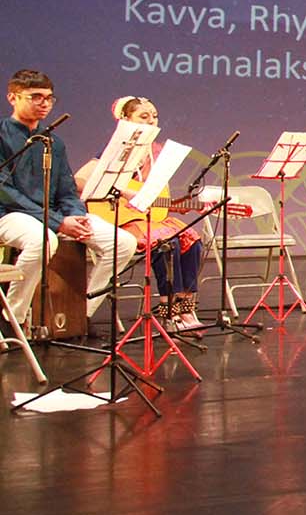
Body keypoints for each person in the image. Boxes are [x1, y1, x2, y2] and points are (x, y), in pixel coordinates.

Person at [0, 71, 137, 328]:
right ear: (12, 97)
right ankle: (13, 319)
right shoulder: (1, 134)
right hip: (9, 215)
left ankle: (81, 312)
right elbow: (6, 192)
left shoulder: (55, 142)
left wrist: (75, 215)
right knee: (42, 239)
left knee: (123, 243)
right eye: (36, 97)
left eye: (49, 98)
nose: (44, 104)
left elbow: (66, 188)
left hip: (54, 216)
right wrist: (58, 222)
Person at [74, 96, 205, 331]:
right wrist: (121, 191)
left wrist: (180, 204)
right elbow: (79, 182)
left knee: (192, 240)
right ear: (125, 119)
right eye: (143, 116)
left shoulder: (154, 155)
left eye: (154, 116)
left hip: (149, 220)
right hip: (122, 222)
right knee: (168, 242)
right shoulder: (116, 151)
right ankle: (168, 311)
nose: (152, 121)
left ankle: (186, 307)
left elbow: (152, 200)